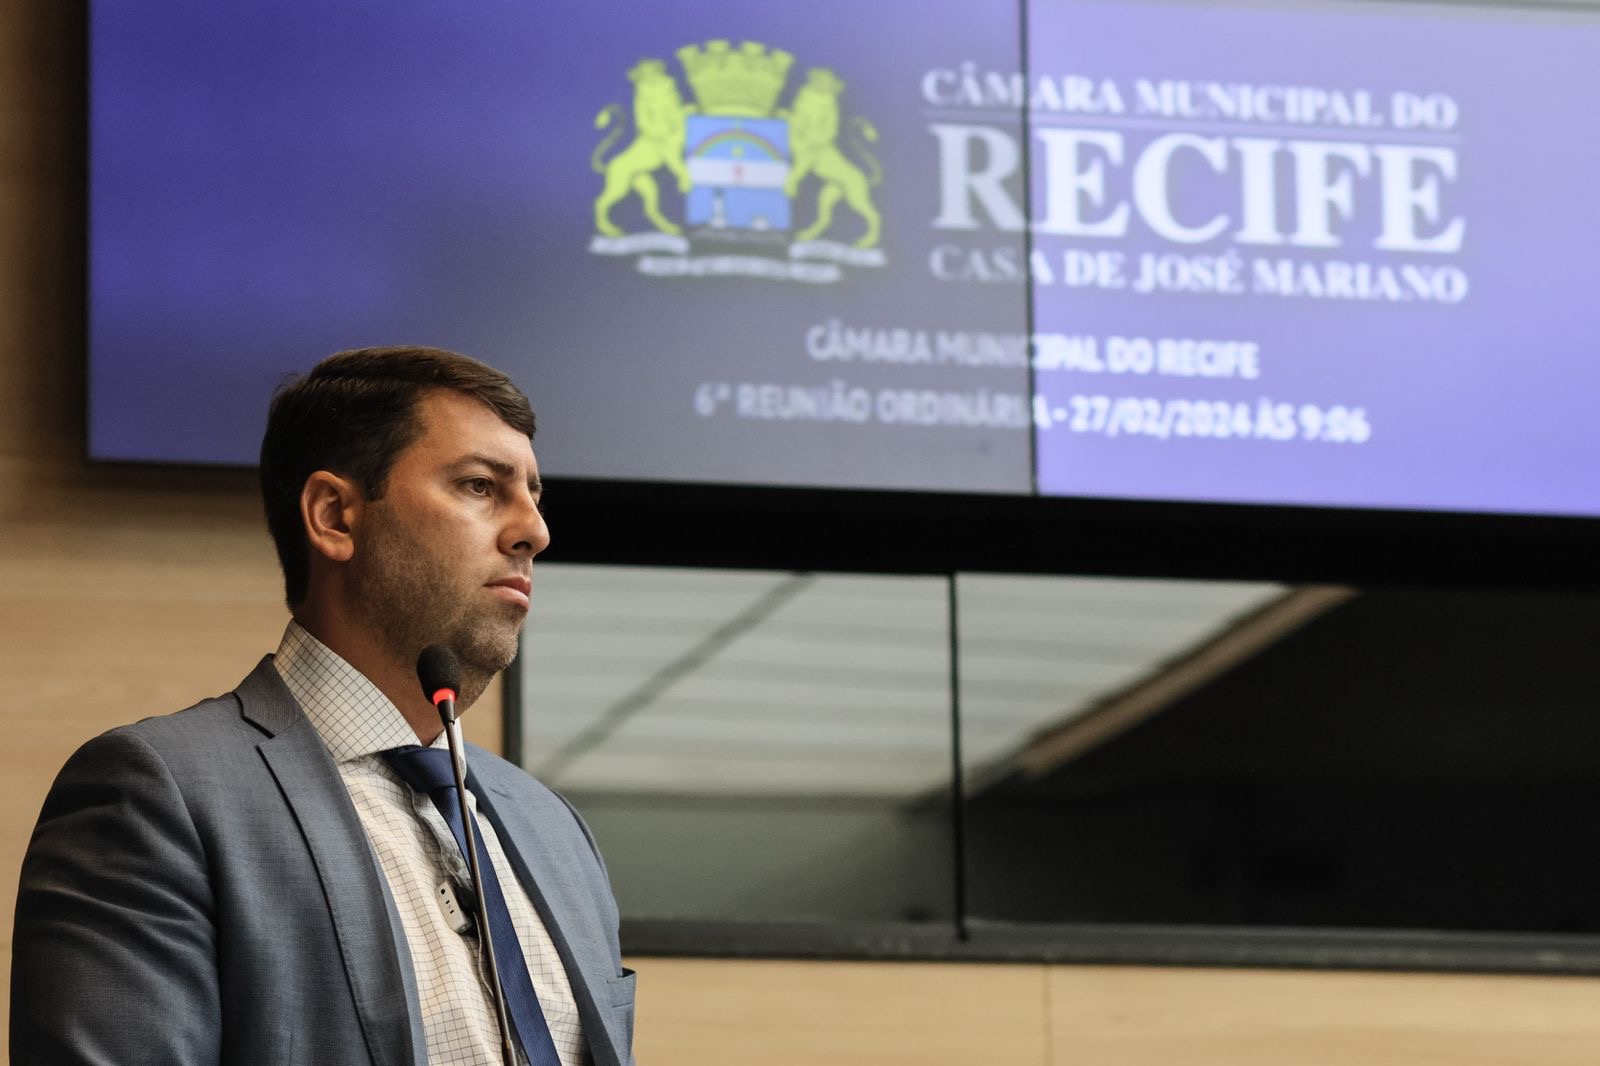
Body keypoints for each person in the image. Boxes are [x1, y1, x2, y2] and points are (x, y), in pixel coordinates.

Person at [11, 347, 635, 1066]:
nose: (535, 531)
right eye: (479, 487)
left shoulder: (553, 830)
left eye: (534, 495)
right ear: (335, 516)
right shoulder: (159, 796)